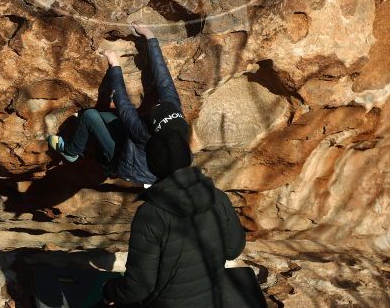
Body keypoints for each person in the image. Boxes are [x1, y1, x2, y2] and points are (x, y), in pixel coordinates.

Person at [101, 128, 247, 308]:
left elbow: (139, 287)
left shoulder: (151, 214)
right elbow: (234, 250)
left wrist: (108, 290)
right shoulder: (218, 197)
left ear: (152, 166)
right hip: (211, 299)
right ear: (189, 157)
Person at [47, 22, 189, 186]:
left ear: (152, 126)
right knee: (108, 117)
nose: (155, 106)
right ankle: (97, 145)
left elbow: (123, 103)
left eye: (154, 112)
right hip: (142, 151)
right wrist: (149, 35)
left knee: (90, 116)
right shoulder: (174, 111)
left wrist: (115, 65)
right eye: (159, 105)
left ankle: (72, 152)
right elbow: (163, 79)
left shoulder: (143, 133)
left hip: (131, 166)